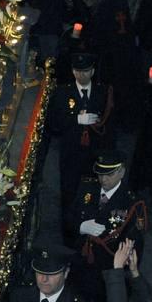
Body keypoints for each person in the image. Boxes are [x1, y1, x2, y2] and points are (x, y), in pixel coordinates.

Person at [49, 53, 115, 225]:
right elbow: (53, 123)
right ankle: (70, 232)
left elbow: (110, 124)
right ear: (72, 71)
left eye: (85, 71)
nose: (82, 75)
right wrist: (76, 119)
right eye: (78, 71)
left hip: (94, 154)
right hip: (71, 153)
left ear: (92, 71)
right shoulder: (63, 92)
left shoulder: (102, 92)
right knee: (69, 193)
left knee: (93, 193)